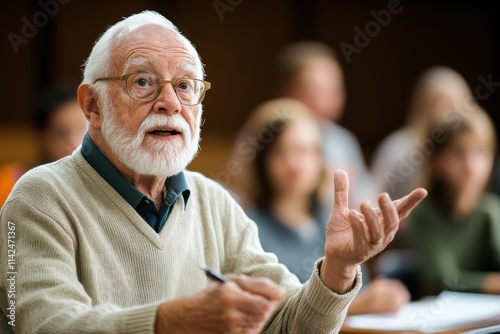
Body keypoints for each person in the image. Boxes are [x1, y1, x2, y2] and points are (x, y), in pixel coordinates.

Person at [0, 11, 426, 334]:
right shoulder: (38, 196)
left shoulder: (213, 202)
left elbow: (289, 325)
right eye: (143, 82)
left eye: (185, 86)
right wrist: (169, 321)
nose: (170, 102)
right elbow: (42, 324)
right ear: (92, 105)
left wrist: (338, 268)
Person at [238, 98, 410, 315]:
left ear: (320, 159)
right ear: (262, 161)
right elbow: (275, 315)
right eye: (280, 151)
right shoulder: (249, 229)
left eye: (305, 151)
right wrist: (357, 306)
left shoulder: (332, 219)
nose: (294, 163)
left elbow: (362, 285)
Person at [408, 107, 500, 296]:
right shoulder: (424, 214)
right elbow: (441, 280)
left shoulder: (490, 210)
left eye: (480, 152)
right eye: (459, 153)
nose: (471, 165)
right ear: (436, 160)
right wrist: (490, 283)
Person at [274, 41, 376, 208]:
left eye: (335, 89)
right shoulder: (263, 134)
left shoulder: (343, 141)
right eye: (317, 91)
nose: (329, 100)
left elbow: (366, 198)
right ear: (285, 93)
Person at [371, 66, 474, 200]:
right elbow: (374, 193)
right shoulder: (398, 147)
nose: (454, 113)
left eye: (460, 104)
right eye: (445, 104)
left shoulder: (466, 154)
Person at [0, 87, 87, 207]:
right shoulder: (8, 184)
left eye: (84, 130)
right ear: (41, 137)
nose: (74, 143)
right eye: (60, 134)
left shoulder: (101, 185)